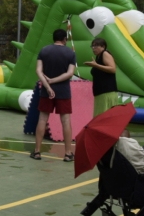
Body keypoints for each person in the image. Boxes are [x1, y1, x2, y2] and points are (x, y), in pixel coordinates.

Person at [31, 29, 77, 162]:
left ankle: (37, 151)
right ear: (64, 39)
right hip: (63, 91)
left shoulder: (44, 50)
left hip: (46, 91)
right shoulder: (70, 53)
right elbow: (69, 74)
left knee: (42, 119)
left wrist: (47, 85)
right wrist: (54, 81)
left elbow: (38, 71)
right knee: (66, 121)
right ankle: (68, 153)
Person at [85, 37, 118, 116]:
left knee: (104, 118)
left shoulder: (105, 53)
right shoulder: (98, 57)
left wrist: (96, 65)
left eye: (96, 46)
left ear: (103, 46)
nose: (93, 48)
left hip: (107, 92)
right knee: (99, 118)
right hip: (100, 93)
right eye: (92, 46)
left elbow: (113, 69)